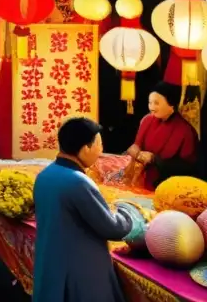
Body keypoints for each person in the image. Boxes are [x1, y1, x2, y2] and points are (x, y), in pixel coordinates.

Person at [33, 117, 133, 302]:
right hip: (79, 271)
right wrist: (129, 212)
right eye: (99, 144)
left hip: (51, 265)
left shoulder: (44, 175)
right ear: (86, 147)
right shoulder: (77, 181)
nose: (101, 151)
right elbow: (112, 228)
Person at [125, 81, 198, 187]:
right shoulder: (147, 120)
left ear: (171, 104)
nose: (152, 107)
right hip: (140, 176)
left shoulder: (185, 131)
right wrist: (135, 148)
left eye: (156, 103)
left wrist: (155, 160)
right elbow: (137, 144)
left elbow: (188, 166)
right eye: (150, 103)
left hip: (167, 182)